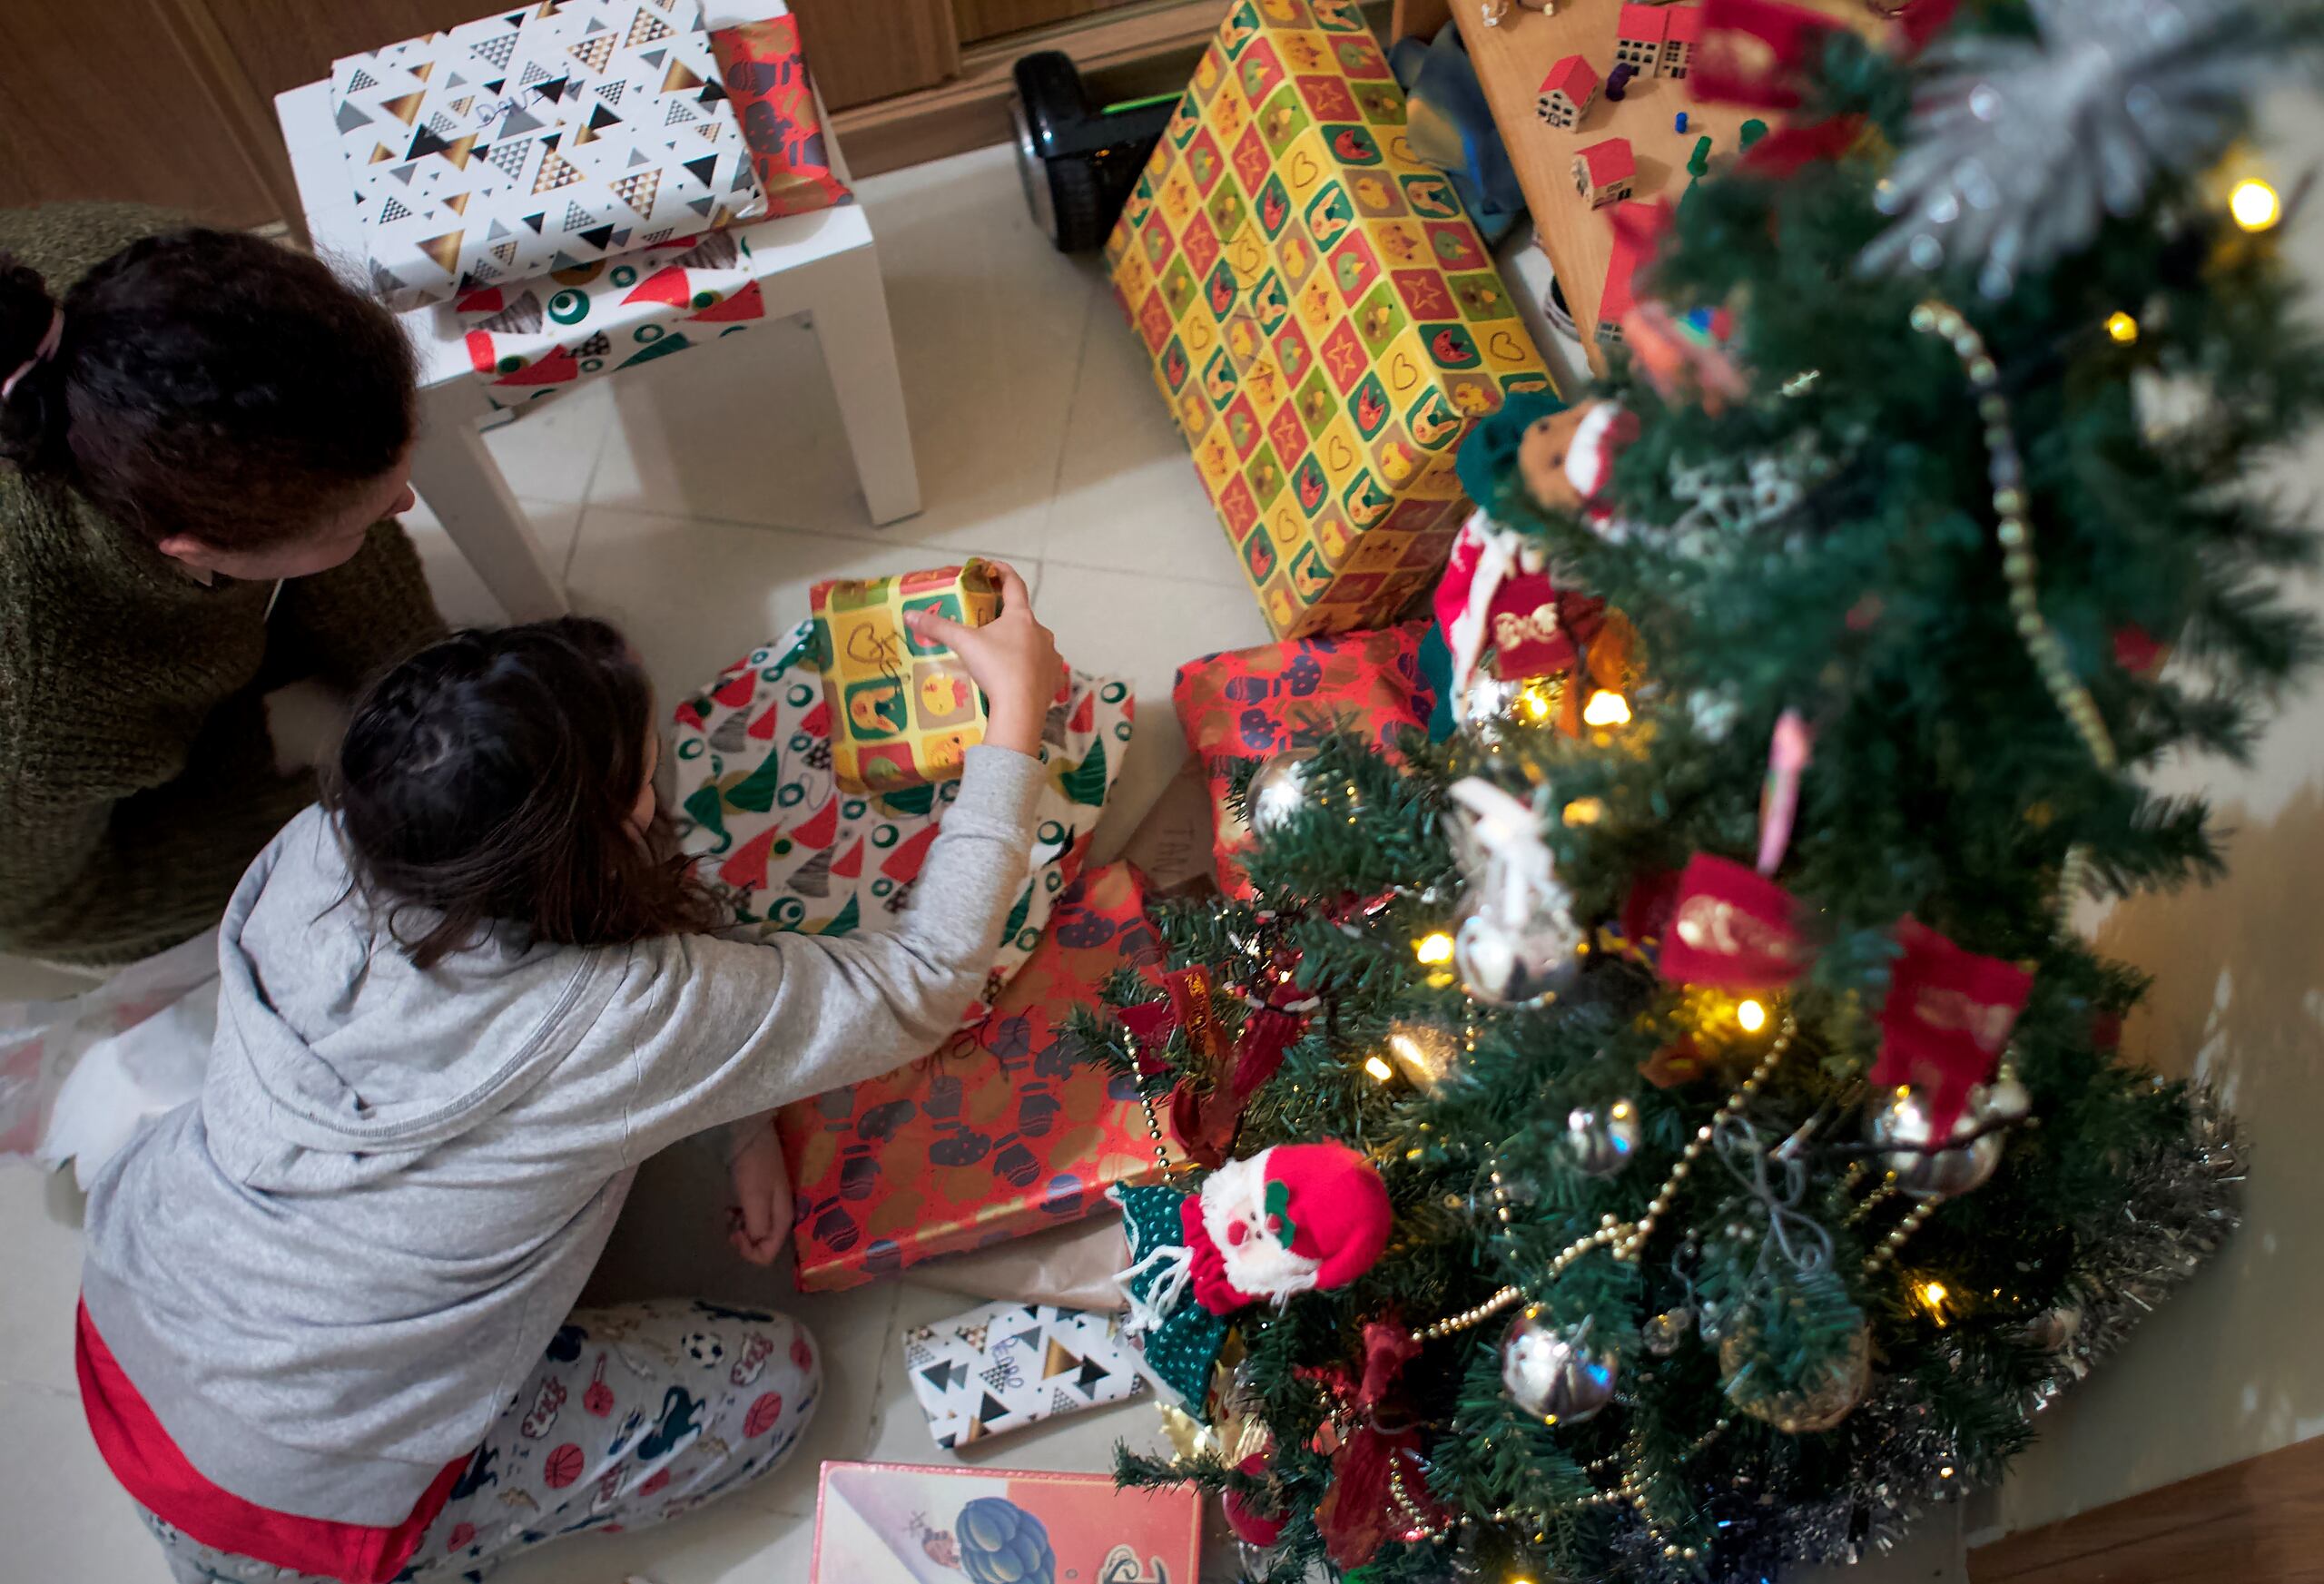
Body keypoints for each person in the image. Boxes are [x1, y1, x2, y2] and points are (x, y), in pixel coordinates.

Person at [74, 576, 1063, 1584]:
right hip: (293, 1498)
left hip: (132, 1311)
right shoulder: (623, 1012)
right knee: (776, 1387)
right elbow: (923, 983)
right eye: (641, 781)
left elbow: (655, 955)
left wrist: (745, 1125)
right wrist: (1016, 727)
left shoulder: (328, 842)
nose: (660, 790)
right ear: (579, 851)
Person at [0, 204, 447, 969]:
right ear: (196, 547)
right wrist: (366, 812)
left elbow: (341, 495)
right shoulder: (42, 704)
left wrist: (432, 681)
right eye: (358, 518)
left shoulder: (192, 291)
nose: (409, 506)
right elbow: (49, 906)